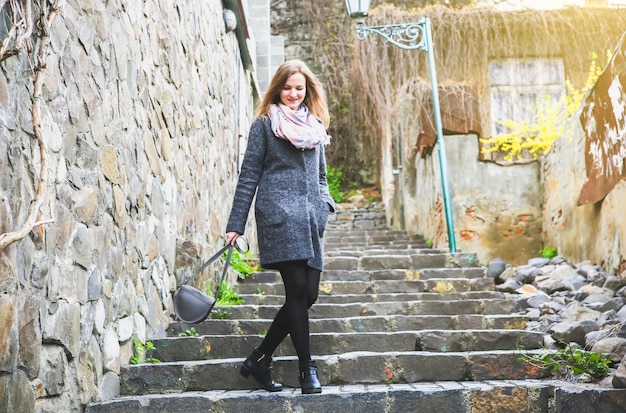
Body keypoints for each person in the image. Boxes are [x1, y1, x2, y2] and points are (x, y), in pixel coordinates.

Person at [225, 59, 335, 395]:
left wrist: (325, 204)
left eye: (298, 88)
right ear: (277, 88)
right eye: (287, 87)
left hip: (310, 219)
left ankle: (259, 358)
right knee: (298, 291)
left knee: (309, 294)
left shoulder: (315, 126)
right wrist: (236, 224)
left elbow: (321, 177)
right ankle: (307, 371)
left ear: (307, 90)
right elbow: (249, 175)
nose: (292, 93)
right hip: (279, 217)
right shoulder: (264, 125)